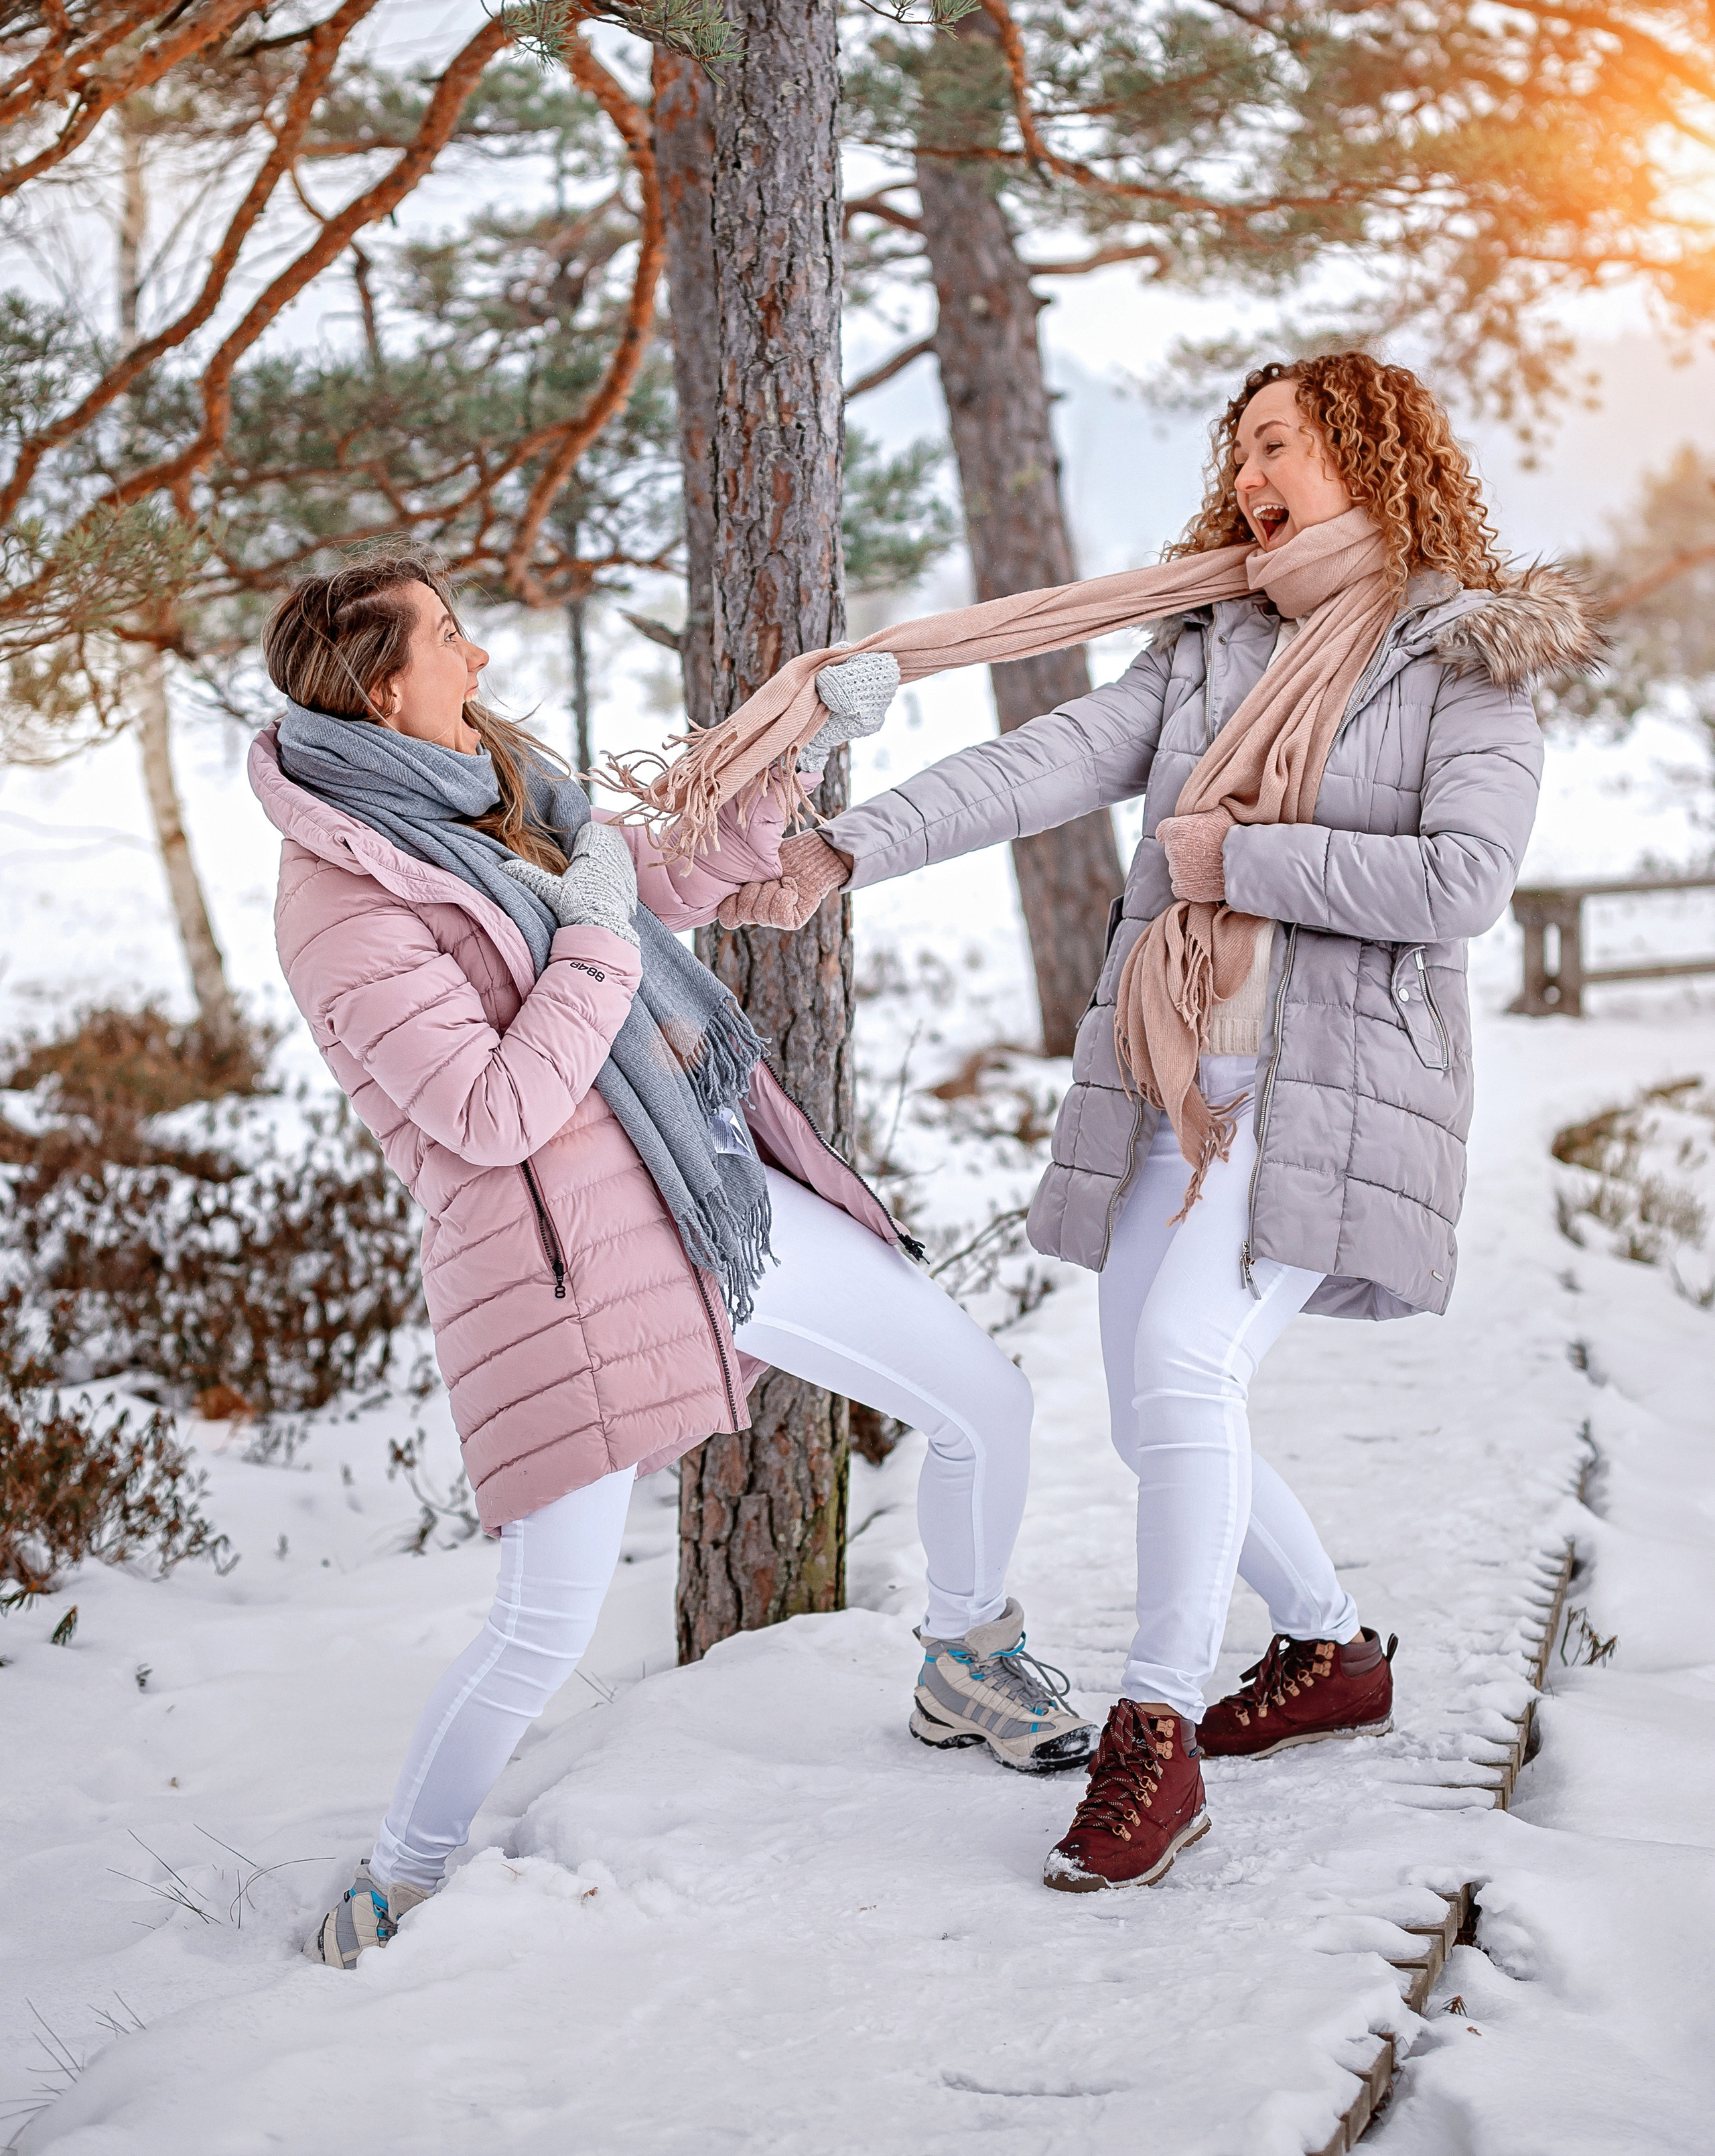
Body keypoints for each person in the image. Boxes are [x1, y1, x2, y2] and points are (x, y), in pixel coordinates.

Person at [711, 353, 1596, 1894]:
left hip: (1329, 1082)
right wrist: (847, 850)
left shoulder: (1465, 654)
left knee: (1181, 1371)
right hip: (1182, 1075)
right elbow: (1047, 759)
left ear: (1371, 457)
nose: (1251, 479)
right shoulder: (1215, 639)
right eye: (1239, 450)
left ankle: (1157, 1729)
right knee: (1147, 1410)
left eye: (1281, 446)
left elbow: (1460, 882)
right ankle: (1325, 1649)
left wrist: (1235, 859)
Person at [249, 554, 1097, 1969]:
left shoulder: (492, 788)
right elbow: (490, 1110)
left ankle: (965, 1657)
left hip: (710, 1195)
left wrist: (797, 748)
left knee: (981, 1401)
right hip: (571, 1271)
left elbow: (664, 888)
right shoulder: (345, 898)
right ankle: (393, 1887)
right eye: (448, 637)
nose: (479, 652)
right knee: (541, 1625)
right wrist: (586, 935)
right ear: (381, 685)